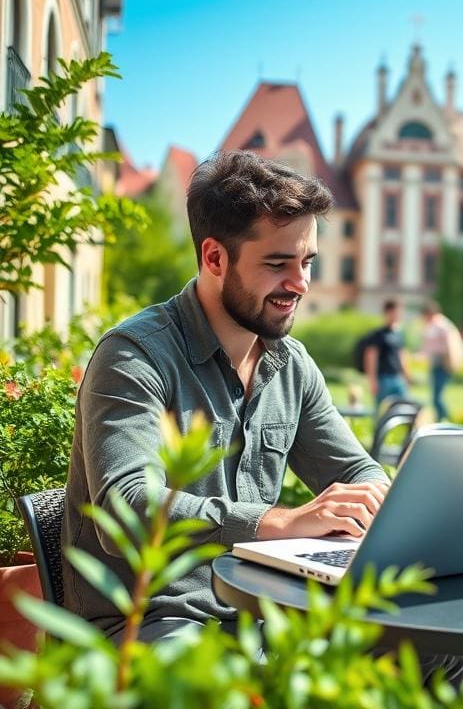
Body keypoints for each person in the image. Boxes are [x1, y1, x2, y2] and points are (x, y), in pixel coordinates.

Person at [63, 150, 392, 644]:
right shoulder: (134, 356)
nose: (300, 284)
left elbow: (357, 473)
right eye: (278, 263)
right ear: (215, 257)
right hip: (150, 623)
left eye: (307, 262)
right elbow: (126, 511)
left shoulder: (291, 364)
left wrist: (377, 501)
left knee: (437, 647)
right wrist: (279, 522)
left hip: (262, 614)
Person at [365, 299, 412, 409]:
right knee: (382, 410)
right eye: (395, 312)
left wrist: (407, 376)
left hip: (398, 378)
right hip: (383, 379)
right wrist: (372, 380)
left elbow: (402, 355)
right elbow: (371, 357)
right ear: (387, 313)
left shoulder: (399, 333)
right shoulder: (378, 334)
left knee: (404, 408)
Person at [421, 300, 460, 421]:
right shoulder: (434, 325)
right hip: (437, 363)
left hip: (442, 363)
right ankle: (440, 418)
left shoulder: (441, 325)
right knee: (436, 395)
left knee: (437, 396)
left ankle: (444, 417)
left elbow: (449, 345)